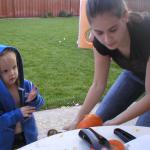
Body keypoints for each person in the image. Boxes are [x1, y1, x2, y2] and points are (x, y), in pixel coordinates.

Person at [64, 0, 150, 130]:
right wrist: (78, 119)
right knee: (97, 119)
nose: (107, 40)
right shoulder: (99, 43)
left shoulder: (146, 31)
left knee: (142, 130)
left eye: (113, 30)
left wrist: (115, 121)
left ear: (125, 16)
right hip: (135, 73)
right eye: (99, 32)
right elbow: (98, 85)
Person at [0, 45, 45, 150]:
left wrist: (35, 99)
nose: (12, 73)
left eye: (14, 67)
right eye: (5, 71)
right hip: (7, 141)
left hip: (29, 136)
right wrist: (18, 114)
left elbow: (39, 104)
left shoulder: (26, 85)